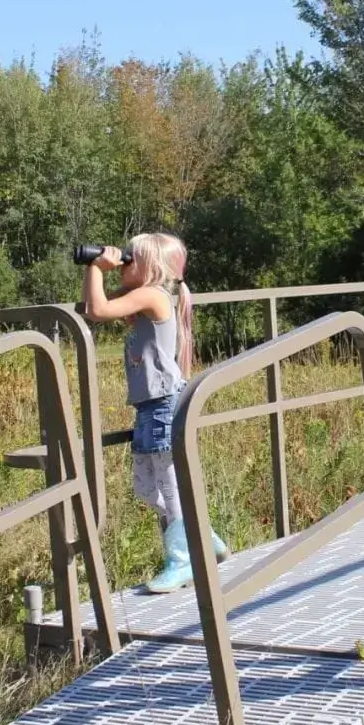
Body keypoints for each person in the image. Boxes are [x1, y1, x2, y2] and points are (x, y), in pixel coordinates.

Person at [81, 232, 228, 592]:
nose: (124, 262)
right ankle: (204, 537)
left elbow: (97, 311)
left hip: (163, 404)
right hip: (150, 406)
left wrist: (97, 265)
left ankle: (182, 560)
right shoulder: (147, 296)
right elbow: (91, 305)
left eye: (132, 258)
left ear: (150, 267)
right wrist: (99, 271)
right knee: (148, 489)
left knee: (169, 486)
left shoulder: (152, 295)